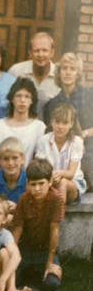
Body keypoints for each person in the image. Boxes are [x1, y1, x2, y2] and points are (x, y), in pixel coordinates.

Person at [12, 158, 65, 291]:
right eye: (33, 184)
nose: (37, 189)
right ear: (28, 184)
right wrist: (11, 257)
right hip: (25, 249)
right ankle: (28, 272)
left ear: (50, 182)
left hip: (44, 250)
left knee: (51, 284)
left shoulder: (57, 199)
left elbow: (54, 230)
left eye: (41, 183)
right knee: (11, 279)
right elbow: (17, 229)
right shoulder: (23, 199)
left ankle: (34, 273)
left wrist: (50, 263)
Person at [43, 52, 93, 189]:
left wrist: (83, 134)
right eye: (64, 68)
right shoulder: (53, 104)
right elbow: (50, 132)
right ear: (58, 73)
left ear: (78, 74)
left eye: (72, 69)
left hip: (88, 145)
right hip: (64, 148)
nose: (68, 72)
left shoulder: (89, 95)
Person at [0, 77, 46, 171]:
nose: (22, 100)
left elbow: (38, 162)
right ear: (12, 99)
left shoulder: (39, 127)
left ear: (32, 101)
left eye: (27, 96)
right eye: (18, 96)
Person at [36, 103, 86, 204]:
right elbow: (40, 169)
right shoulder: (43, 140)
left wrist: (60, 174)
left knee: (62, 182)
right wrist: (50, 177)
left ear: (71, 124)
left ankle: (56, 220)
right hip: (49, 181)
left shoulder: (76, 141)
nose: (60, 126)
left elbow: (71, 173)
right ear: (52, 122)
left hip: (72, 183)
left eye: (65, 123)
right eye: (57, 122)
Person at [8, 32, 60, 120]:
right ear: (30, 52)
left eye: (45, 50)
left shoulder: (59, 75)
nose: (40, 55)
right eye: (36, 50)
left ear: (52, 53)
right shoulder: (16, 71)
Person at [0, 137, 26, 218]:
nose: (10, 163)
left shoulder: (28, 180)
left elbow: (32, 211)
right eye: (6, 159)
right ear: (0, 160)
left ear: (22, 158)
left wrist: (17, 208)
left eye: (15, 158)